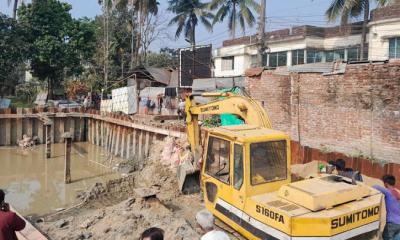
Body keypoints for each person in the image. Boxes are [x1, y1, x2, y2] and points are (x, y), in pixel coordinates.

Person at [374, 175, 400, 240]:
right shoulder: (397, 193)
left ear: (385, 184)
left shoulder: (388, 192)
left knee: (386, 236)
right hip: (399, 224)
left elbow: (376, 187)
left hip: (391, 223)